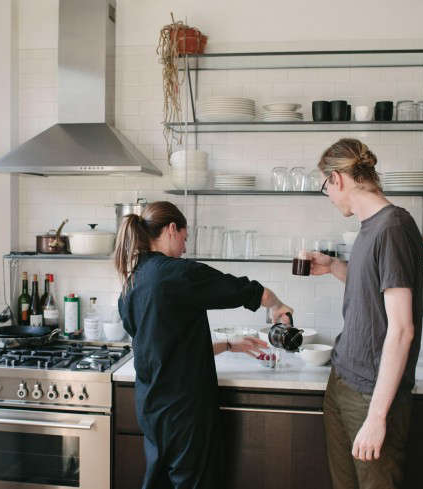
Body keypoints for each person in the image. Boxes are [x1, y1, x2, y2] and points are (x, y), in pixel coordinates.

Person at [114, 201, 293, 489]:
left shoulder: (132, 281)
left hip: (151, 408)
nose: (185, 247)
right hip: (185, 411)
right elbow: (244, 290)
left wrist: (228, 344)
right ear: (172, 229)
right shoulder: (177, 273)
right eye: (185, 238)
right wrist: (277, 305)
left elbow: (165, 348)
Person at [310, 139, 423, 489]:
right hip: (343, 381)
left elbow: (402, 329)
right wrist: (333, 268)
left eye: (325, 185)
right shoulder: (370, 228)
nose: (327, 194)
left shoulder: (393, 227)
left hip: (369, 394)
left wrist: (377, 417)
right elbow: (372, 284)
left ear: (337, 179)